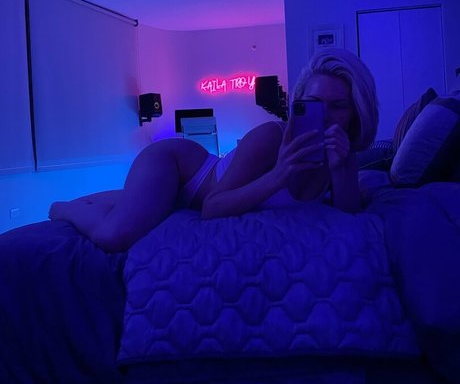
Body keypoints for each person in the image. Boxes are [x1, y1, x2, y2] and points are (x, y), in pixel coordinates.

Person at [49, 48, 378, 253]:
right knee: (114, 237)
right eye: (314, 104)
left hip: (190, 184)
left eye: (339, 106)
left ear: (356, 112)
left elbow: (349, 216)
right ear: (298, 103)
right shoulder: (271, 137)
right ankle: (64, 208)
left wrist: (339, 168)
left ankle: (118, 198)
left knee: (136, 202)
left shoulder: (344, 154)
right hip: (180, 169)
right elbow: (211, 207)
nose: (326, 116)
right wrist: (279, 175)